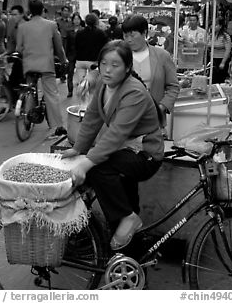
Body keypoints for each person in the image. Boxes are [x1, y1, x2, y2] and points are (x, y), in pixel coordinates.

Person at [61, 40, 164, 250]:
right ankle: (128, 256)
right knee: (122, 196)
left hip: (145, 155)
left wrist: (86, 162)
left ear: (127, 68)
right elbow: (91, 118)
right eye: (103, 63)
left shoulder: (134, 92)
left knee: (98, 169)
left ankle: (128, 218)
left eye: (115, 65)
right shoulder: (103, 83)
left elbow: (116, 134)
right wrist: (78, 149)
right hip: (123, 151)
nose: (107, 70)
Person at [16, 0, 68, 137]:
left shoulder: (23, 27)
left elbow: (18, 48)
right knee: (52, 95)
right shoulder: (51, 25)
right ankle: (59, 126)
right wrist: (64, 61)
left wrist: (28, 54)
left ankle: (28, 114)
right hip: (46, 65)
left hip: (29, 65)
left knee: (30, 86)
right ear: (42, 9)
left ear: (30, 11)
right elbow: (59, 48)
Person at [121, 15, 179, 127]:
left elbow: (173, 86)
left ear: (144, 33)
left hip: (153, 121)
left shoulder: (162, 56)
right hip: (124, 119)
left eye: (132, 35)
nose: (128, 40)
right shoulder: (120, 56)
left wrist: (161, 107)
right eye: (125, 35)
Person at [75, 13, 108, 84]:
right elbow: (105, 46)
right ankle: (91, 94)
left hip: (80, 60)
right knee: (92, 84)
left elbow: (76, 45)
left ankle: (82, 93)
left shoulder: (79, 33)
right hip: (94, 61)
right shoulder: (100, 33)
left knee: (81, 82)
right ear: (96, 21)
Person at [5, 5, 28, 101]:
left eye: (15, 14)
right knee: (12, 82)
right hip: (18, 58)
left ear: (22, 14)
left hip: (27, 59)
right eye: (11, 14)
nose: (13, 17)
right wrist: (4, 54)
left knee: (20, 82)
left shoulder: (27, 26)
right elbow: (12, 44)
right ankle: (12, 103)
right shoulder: (14, 27)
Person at [65, 12, 85, 98]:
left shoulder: (83, 30)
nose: (76, 21)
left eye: (78, 19)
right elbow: (67, 44)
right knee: (70, 73)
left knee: (82, 74)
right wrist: (66, 55)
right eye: (75, 19)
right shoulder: (69, 31)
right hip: (71, 54)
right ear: (72, 20)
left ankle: (82, 90)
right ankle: (70, 90)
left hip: (81, 54)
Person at [207, 18, 232, 84]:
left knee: (220, 79)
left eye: (215, 25)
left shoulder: (225, 36)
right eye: (212, 25)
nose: (213, 26)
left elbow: (228, 50)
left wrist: (223, 62)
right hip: (212, 59)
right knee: (212, 79)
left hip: (221, 59)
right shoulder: (210, 35)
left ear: (220, 26)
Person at [56, 5, 73, 83]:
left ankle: (67, 73)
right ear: (61, 12)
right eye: (64, 11)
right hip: (60, 40)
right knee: (61, 57)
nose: (66, 12)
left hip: (69, 41)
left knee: (68, 57)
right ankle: (62, 74)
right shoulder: (57, 21)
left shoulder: (71, 21)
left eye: (67, 11)